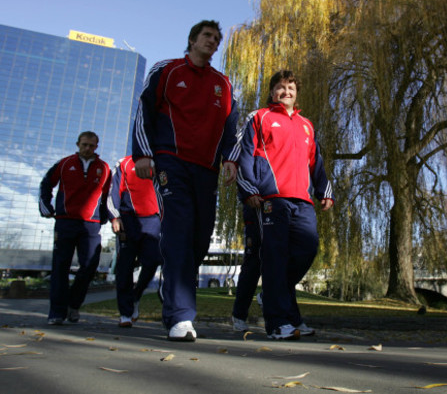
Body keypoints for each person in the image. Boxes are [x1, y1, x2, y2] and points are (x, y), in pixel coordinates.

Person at [132, 20, 239, 342]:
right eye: (207, 36)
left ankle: (173, 288)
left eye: (217, 39)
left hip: (205, 169)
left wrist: (230, 160)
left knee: (200, 238)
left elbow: (230, 127)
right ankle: (180, 316)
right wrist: (143, 154)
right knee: (178, 229)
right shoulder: (167, 70)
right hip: (170, 161)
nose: (213, 41)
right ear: (192, 39)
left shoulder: (223, 83)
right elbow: (144, 111)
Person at [237, 70, 334, 340]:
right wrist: (249, 190)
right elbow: (246, 156)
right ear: (272, 92)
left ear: (296, 92)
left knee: (307, 249)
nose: (286, 92)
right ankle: (279, 323)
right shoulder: (260, 118)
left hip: (302, 201)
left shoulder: (306, 125)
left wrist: (324, 190)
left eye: (290, 87)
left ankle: (272, 295)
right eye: (280, 87)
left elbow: (316, 162)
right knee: (275, 258)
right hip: (272, 199)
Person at [39, 131, 111, 325]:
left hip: (91, 224)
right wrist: (46, 206)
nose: (88, 149)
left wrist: (105, 216)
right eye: (84, 145)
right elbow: (46, 184)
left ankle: (74, 304)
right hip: (65, 221)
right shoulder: (64, 164)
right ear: (78, 144)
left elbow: (108, 197)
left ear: (97, 147)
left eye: (92, 146)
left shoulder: (104, 168)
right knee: (60, 267)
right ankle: (57, 313)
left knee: (89, 266)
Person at [108, 155, 162, 328]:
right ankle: (125, 313)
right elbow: (112, 191)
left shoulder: (162, 160)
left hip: (153, 220)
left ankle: (136, 295)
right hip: (127, 219)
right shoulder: (124, 163)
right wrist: (115, 217)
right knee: (125, 267)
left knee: (153, 260)